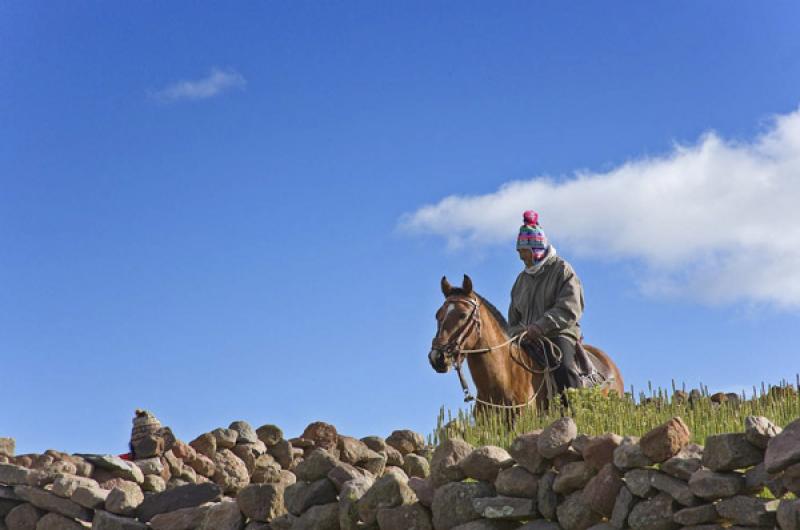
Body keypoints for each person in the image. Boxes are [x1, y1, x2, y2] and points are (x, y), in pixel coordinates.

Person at [508, 210, 584, 401]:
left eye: (523, 252)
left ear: (536, 250)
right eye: (519, 252)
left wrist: (540, 326)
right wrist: (517, 332)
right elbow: (513, 318)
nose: (520, 257)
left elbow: (570, 307)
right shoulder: (521, 280)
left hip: (558, 333)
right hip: (526, 339)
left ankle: (576, 411)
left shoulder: (562, 270)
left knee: (564, 367)